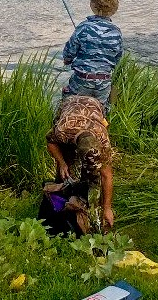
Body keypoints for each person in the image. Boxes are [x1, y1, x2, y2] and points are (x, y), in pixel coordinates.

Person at [45, 95, 114, 230]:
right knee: (65, 169)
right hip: (70, 104)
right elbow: (50, 143)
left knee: (94, 177)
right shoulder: (62, 131)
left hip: (94, 106)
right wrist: (63, 163)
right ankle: (61, 204)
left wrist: (107, 208)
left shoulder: (103, 141)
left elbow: (107, 175)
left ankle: (89, 203)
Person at [62, 0, 123, 112]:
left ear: (92, 6)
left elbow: (70, 50)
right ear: (113, 11)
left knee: (69, 104)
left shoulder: (83, 27)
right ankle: (102, 126)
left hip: (81, 80)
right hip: (104, 81)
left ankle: (62, 125)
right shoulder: (116, 32)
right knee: (100, 110)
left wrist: (67, 60)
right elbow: (118, 57)